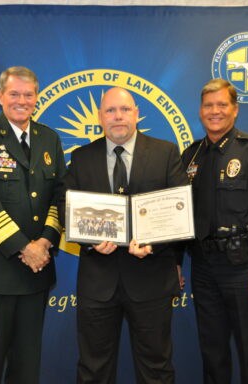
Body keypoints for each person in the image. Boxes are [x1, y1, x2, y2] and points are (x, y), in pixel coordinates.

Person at [61, 87, 188, 384]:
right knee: (93, 370)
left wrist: (153, 245)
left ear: (137, 114)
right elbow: (66, 207)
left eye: (125, 110)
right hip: (98, 282)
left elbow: (179, 209)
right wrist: (90, 241)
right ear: (99, 117)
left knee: (156, 367)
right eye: (110, 111)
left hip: (151, 278)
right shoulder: (82, 157)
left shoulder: (166, 152)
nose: (118, 116)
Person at [0, 66, 66, 384]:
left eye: (29, 95)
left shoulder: (49, 138)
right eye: (14, 94)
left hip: (37, 272)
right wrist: (25, 247)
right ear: (0, 96)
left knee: (26, 366)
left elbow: (59, 195)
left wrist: (45, 242)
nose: (22, 101)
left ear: (37, 98)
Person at [181, 78, 248, 384]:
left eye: (222, 105)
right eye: (208, 105)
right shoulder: (190, 156)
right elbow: (180, 215)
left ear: (235, 110)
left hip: (244, 269)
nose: (215, 111)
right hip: (203, 268)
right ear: (200, 111)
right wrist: (176, 262)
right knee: (212, 353)